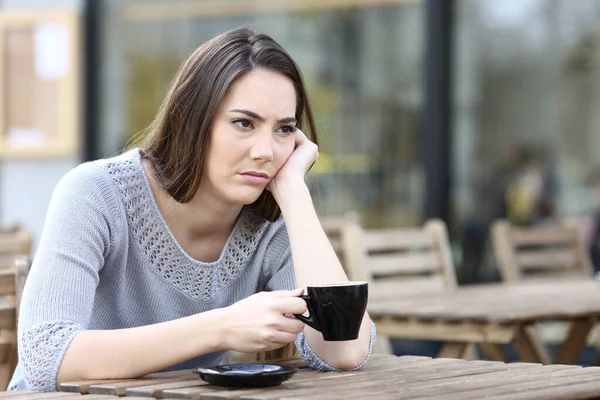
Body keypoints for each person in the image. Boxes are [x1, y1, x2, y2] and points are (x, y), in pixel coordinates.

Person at [8, 28, 376, 392]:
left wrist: (295, 192)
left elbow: (344, 350)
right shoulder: (96, 193)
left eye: (283, 129)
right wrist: (220, 328)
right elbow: (45, 359)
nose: (266, 151)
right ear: (192, 120)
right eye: (243, 123)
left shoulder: (269, 221)